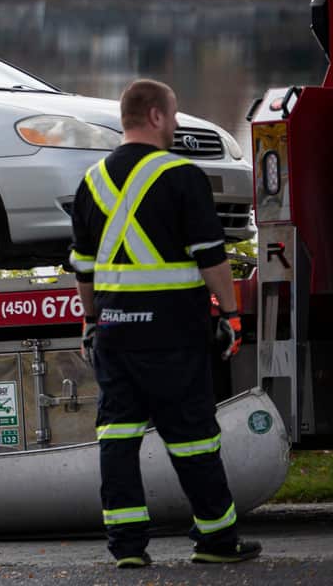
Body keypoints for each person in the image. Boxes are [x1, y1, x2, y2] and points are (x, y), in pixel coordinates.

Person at [68, 79, 262, 569]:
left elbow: (83, 269)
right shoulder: (182, 175)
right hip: (173, 332)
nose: (175, 125)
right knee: (193, 435)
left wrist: (91, 321)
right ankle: (217, 541)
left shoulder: (91, 181)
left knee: (117, 436)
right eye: (173, 116)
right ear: (155, 116)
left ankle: (128, 550)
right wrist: (231, 313)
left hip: (114, 330)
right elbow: (211, 258)